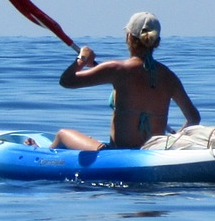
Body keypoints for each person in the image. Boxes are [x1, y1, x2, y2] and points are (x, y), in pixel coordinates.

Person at [52, 12, 199, 150]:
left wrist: (82, 59)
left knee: (62, 134)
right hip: (154, 151)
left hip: (116, 153)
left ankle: (38, 153)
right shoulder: (169, 77)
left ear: (128, 37)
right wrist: (174, 139)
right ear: (157, 42)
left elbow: (66, 80)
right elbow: (193, 118)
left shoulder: (117, 70)